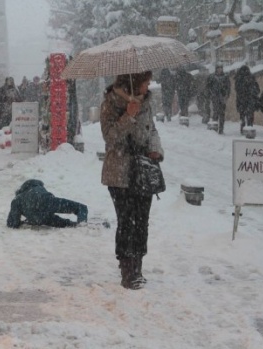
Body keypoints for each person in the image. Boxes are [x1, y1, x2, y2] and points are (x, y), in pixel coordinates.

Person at [100, 71, 164, 290]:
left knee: (142, 220)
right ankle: (127, 269)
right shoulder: (111, 102)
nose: (148, 86)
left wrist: (155, 150)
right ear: (134, 82)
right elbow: (109, 136)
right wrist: (128, 116)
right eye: (145, 82)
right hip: (120, 171)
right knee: (127, 220)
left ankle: (138, 265)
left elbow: (152, 130)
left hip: (143, 168)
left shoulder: (147, 101)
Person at [7, 179, 88, 228]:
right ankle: (82, 225)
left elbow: (12, 224)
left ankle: (72, 224)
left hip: (37, 217)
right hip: (47, 202)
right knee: (80, 207)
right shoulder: (38, 187)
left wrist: (27, 219)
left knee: (60, 222)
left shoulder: (17, 199)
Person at [206, 62, 231, 134]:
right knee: (215, 112)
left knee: (222, 114)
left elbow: (228, 87)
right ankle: (215, 127)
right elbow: (208, 87)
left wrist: (226, 95)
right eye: (218, 69)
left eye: (221, 68)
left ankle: (221, 128)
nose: (219, 70)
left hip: (222, 97)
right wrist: (211, 94)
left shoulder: (225, 77)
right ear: (216, 69)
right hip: (215, 97)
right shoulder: (212, 77)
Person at [234, 65, 260, 134]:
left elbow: (257, 89)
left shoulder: (249, 79)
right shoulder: (239, 80)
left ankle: (247, 128)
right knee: (246, 116)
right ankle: (246, 128)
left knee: (246, 116)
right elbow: (239, 90)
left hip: (246, 101)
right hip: (245, 100)